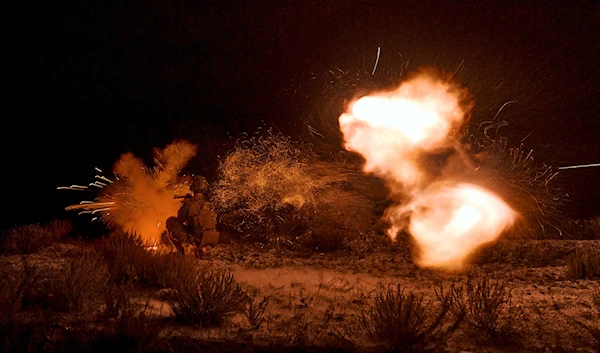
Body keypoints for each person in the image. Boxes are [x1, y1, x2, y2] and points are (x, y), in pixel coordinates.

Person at [176, 175, 220, 249]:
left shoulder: (190, 204)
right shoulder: (209, 203)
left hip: (199, 239)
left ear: (193, 186)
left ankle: (184, 250)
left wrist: (186, 203)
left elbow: (180, 218)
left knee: (172, 222)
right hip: (213, 238)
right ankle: (205, 249)